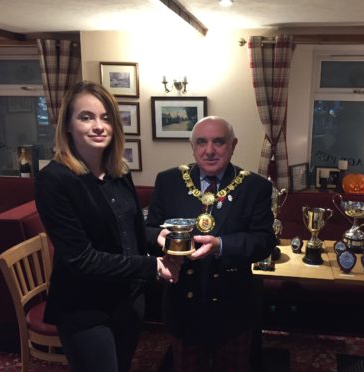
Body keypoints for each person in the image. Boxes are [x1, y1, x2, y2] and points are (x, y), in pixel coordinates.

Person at [35, 80, 182, 372]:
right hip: (84, 307)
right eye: (86, 117)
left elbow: (127, 227)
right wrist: (151, 266)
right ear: (67, 125)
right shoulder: (54, 180)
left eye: (105, 117)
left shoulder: (119, 171)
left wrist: (157, 236)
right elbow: (81, 259)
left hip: (128, 301)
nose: (98, 125)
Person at [145, 116, 276, 372]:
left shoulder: (254, 186)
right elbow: (148, 230)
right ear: (192, 146)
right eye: (202, 142)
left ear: (233, 145)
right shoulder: (169, 181)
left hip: (234, 306)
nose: (210, 150)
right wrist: (160, 239)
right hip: (183, 304)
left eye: (219, 142)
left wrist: (221, 245)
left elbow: (264, 241)